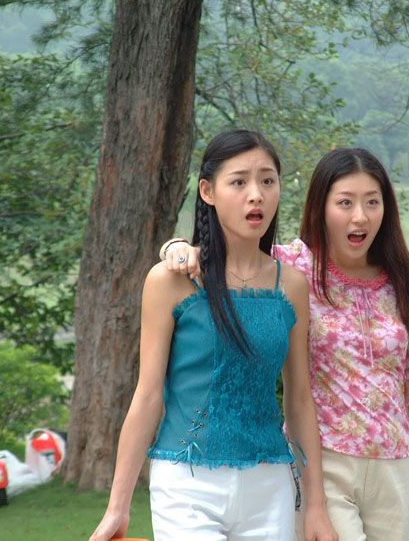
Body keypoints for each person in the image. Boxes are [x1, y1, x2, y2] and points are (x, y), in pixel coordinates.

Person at [161, 147, 409, 540]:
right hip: (323, 464)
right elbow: (227, 254)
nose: (360, 217)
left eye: (372, 202)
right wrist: (177, 247)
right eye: (345, 203)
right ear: (321, 207)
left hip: (397, 470)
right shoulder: (293, 267)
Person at [89, 130, 337, 541]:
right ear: (207, 191)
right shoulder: (171, 280)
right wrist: (117, 507)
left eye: (267, 180)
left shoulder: (291, 285)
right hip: (185, 486)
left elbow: (299, 399)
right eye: (239, 182)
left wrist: (316, 505)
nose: (256, 195)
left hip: (270, 486)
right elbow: (148, 396)